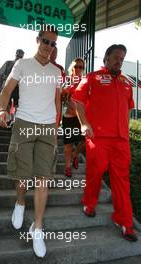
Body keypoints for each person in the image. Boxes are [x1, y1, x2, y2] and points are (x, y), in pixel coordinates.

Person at [0, 24, 61, 257]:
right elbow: (6, 90)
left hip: (47, 129)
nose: (49, 47)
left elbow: (57, 102)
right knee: (22, 177)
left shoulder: (56, 72)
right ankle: (21, 202)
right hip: (24, 123)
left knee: (43, 179)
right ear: (38, 40)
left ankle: (38, 227)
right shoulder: (22, 64)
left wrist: (56, 126)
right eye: (46, 41)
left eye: (53, 44)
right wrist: (3, 110)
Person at [72, 44, 138, 242]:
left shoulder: (126, 83)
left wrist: (124, 129)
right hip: (98, 136)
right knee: (95, 171)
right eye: (116, 56)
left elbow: (128, 108)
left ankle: (125, 222)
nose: (119, 60)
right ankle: (89, 203)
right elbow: (78, 101)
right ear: (107, 58)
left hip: (121, 140)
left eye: (122, 57)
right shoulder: (92, 77)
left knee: (122, 180)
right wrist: (84, 124)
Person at [61, 58, 85, 177]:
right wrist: (65, 91)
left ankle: (75, 155)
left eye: (81, 67)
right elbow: (61, 96)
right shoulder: (67, 80)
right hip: (69, 116)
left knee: (84, 141)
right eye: (76, 66)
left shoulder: (85, 81)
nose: (79, 69)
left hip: (81, 118)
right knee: (68, 144)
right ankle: (67, 167)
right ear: (72, 68)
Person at [0, 49, 24, 113]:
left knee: (18, 106)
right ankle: (5, 120)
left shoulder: (23, 67)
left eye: (20, 56)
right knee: (6, 105)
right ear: (15, 55)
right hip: (7, 86)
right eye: (18, 56)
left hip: (17, 88)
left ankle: (14, 120)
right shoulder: (8, 63)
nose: (18, 57)